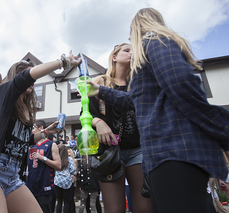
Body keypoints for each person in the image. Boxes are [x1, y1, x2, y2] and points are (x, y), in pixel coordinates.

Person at [87, 8, 229, 213]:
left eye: (130, 36)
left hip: (174, 150)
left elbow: (183, 89)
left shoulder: (155, 41)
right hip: (159, 153)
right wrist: (100, 92)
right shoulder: (144, 57)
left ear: (137, 28)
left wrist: (223, 131)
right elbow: (134, 100)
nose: (130, 43)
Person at [0, 52, 81, 213]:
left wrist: (45, 132)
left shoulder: (25, 110)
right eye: (27, 74)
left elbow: (23, 141)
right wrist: (63, 62)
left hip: (13, 175)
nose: (32, 81)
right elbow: (24, 78)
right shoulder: (3, 94)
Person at [88, 43, 151, 213]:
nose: (132, 53)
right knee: (115, 209)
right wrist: (99, 123)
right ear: (114, 57)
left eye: (134, 51)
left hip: (138, 149)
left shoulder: (139, 83)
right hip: (110, 151)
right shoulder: (101, 81)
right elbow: (85, 113)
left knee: (145, 208)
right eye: (127, 50)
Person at [26, 119, 61, 213]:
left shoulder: (51, 144)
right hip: (30, 186)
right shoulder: (31, 145)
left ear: (41, 128)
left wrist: (43, 158)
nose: (32, 131)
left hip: (45, 186)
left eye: (33, 128)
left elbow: (58, 165)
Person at [54, 145, 76, 213]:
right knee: (66, 201)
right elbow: (73, 170)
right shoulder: (69, 159)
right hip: (67, 181)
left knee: (59, 201)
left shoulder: (57, 159)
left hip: (57, 180)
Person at [68, 148, 78, 213]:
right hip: (67, 181)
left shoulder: (74, 160)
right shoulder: (65, 160)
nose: (68, 153)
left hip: (72, 181)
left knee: (71, 198)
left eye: (69, 152)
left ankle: (73, 211)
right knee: (68, 198)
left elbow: (76, 171)